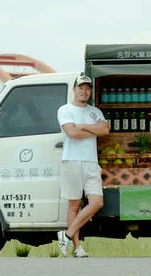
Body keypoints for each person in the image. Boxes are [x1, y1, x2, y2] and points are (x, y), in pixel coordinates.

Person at [56, 75, 109, 258]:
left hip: (91, 162)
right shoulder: (65, 110)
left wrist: (81, 126)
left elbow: (105, 130)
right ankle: (77, 247)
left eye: (87, 88)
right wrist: (92, 129)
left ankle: (67, 234)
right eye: (81, 87)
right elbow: (71, 133)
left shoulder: (95, 111)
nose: (84, 91)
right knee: (74, 205)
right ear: (74, 89)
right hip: (72, 161)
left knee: (97, 202)